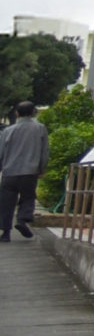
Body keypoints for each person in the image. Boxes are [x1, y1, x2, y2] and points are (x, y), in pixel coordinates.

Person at [0, 101, 48, 241]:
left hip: (9, 172)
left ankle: (5, 233)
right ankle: (22, 220)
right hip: (30, 171)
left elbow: (1, 152)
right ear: (33, 113)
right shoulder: (40, 129)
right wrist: (42, 169)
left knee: (6, 202)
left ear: (17, 113)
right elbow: (44, 152)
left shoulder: (8, 131)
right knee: (28, 197)